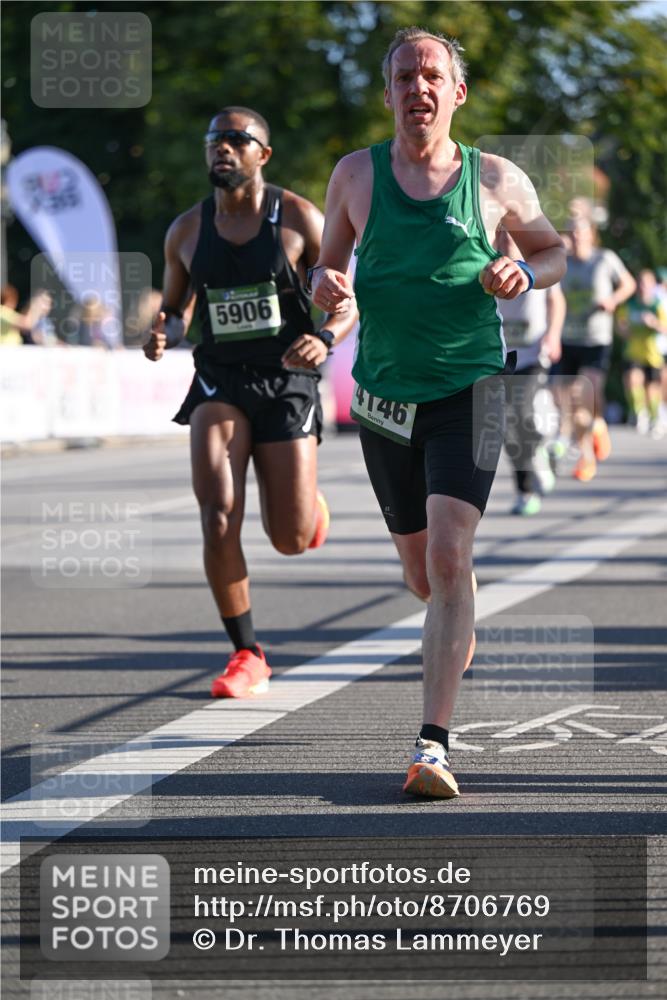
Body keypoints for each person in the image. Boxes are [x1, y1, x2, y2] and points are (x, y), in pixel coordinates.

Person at [310, 27, 566, 798]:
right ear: (387, 93)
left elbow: (552, 253)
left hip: (475, 390)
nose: (416, 87)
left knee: (451, 555)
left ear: (455, 92)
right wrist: (327, 286)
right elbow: (327, 263)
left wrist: (523, 268)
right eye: (402, 76)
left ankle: (432, 747)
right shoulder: (354, 176)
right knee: (423, 573)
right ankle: (453, 616)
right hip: (385, 397)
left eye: (430, 75)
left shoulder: (494, 179)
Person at [144, 106, 356, 699]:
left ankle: (307, 504)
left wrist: (326, 337)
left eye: (238, 139)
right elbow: (176, 307)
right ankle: (247, 652)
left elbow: (346, 301)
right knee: (216, 513)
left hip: (287, 379)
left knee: (290, 537)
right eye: (215, 139)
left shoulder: (298, 219)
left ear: (264, 153)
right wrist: (163, 330)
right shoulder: (186, 230)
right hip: (220, 381)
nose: (223, 148)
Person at [553, 216, 635, 481]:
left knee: (586, 393)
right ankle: (591, 441)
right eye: (572, 232)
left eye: (581, 231)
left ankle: (591, 442)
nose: (576, 237)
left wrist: (612, 299)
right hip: (567, 339)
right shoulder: (561, 260)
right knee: (571, 402)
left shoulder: (604, 259)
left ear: (591, 234)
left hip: (596, 339)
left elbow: (629, 284)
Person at [496, 228, 566, 515]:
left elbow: (556, 301)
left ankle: (540, 446)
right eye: (502, 235)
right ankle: (524, 491)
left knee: (522, 413)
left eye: (512, 235)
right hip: (498, 358)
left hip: (533, 354)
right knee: (505, 426)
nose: (507, 240)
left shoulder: (537, 263)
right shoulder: (483, 263)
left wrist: (553, 334)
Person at [618, 269, 667, 437]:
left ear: (653, 286)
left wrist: (653, 323)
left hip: (653, 355)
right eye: (640, 283)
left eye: (646, 284)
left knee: (652, 390)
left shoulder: (657, 305)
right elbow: (620, 326)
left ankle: (655, 418)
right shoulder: (630, 305)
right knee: (632, 379)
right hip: (633, 352)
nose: (642, 287)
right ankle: (639, 413)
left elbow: (665, 328)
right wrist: (625, 329)